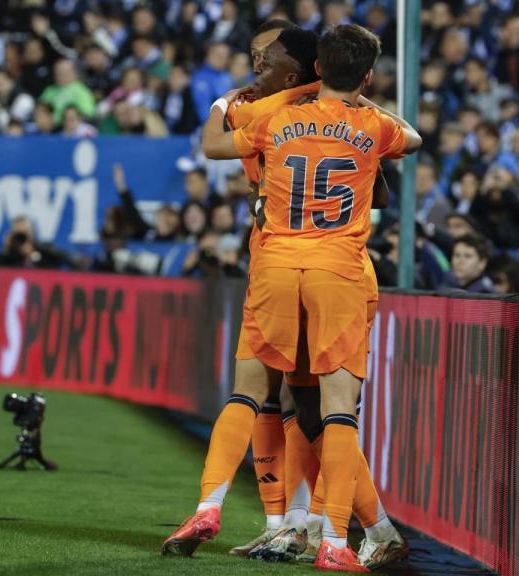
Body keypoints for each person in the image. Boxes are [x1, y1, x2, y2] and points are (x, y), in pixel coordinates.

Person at [165, 24, 420, 572]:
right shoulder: (367, 122)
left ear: (307, 68)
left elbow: (214, 142)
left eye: (265, 57)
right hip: (334, 268)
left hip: (284, 263)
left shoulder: (267, 114)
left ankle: (302, 524)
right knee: (313, 409)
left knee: (287, 404)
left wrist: (230, 103)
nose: (254, 66)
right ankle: (317, 531)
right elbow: (390, 170)